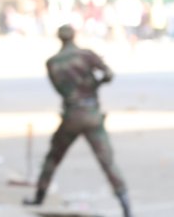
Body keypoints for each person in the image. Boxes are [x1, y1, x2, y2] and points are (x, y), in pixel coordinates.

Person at [23, 24, 132, 217]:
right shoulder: (86, 55)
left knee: (53, 157)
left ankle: (39, 196)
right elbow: (108, 74)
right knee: (107, 161)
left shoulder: (52, 63)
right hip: (91, 113)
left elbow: (59, 89)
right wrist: (95, 84)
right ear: (74, 36)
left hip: (71, 115)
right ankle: (125, 205)